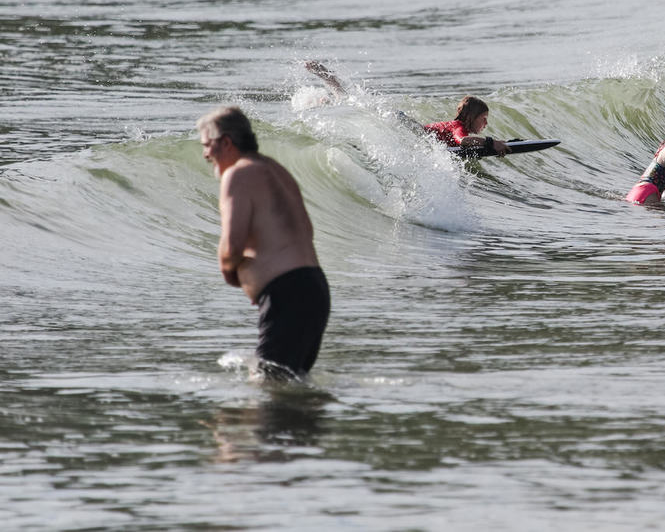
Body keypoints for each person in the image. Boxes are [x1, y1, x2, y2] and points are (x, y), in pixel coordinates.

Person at [197, 106, 330, 381]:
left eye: (207, 145)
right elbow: (307, 231)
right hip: (314, 288)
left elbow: (231, 249)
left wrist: (229, 269)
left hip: (288, 294)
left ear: (226, 142)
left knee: (267, 392)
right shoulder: (277, 170)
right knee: (289, 387)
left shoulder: (238, 175)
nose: (205, 154)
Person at [304, 61, 509, 156]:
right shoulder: (458, 127)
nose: (486, 123)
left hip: (404, 124)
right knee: (351, 104)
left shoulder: (456, 124)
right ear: (472, 117)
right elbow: (462, 141)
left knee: (351, 103)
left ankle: (326, 91)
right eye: (483, 118)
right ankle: (326, 92)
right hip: (406, 127)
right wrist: (492, 143)